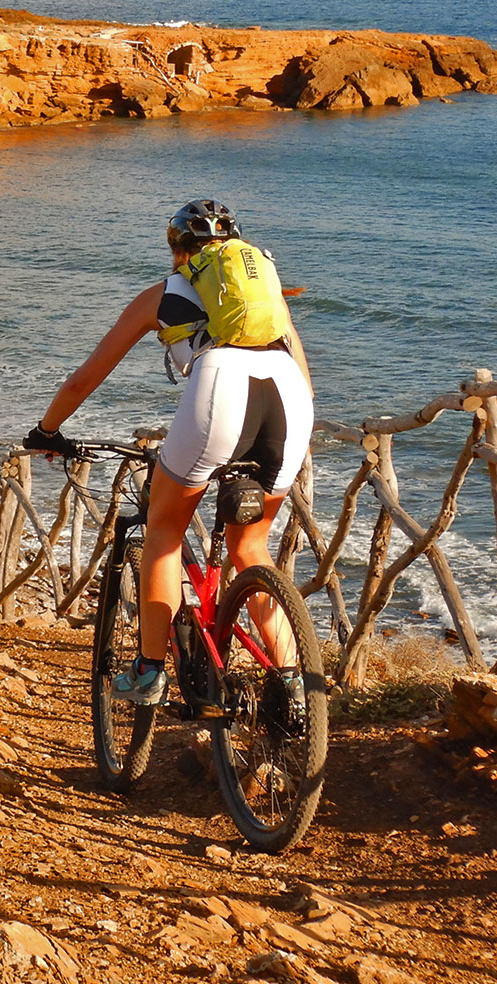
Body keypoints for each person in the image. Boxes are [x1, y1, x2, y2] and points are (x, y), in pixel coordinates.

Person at [25, 200, 314, 705]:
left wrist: (47, 430)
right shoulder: (269, 300)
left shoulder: (163, 294)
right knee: (251, 548)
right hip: (289, 398)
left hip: (222, 386)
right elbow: (305, 379)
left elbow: (85, 378)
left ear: (179, 252)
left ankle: (149, 670)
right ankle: (293, 683)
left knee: (163, 531)